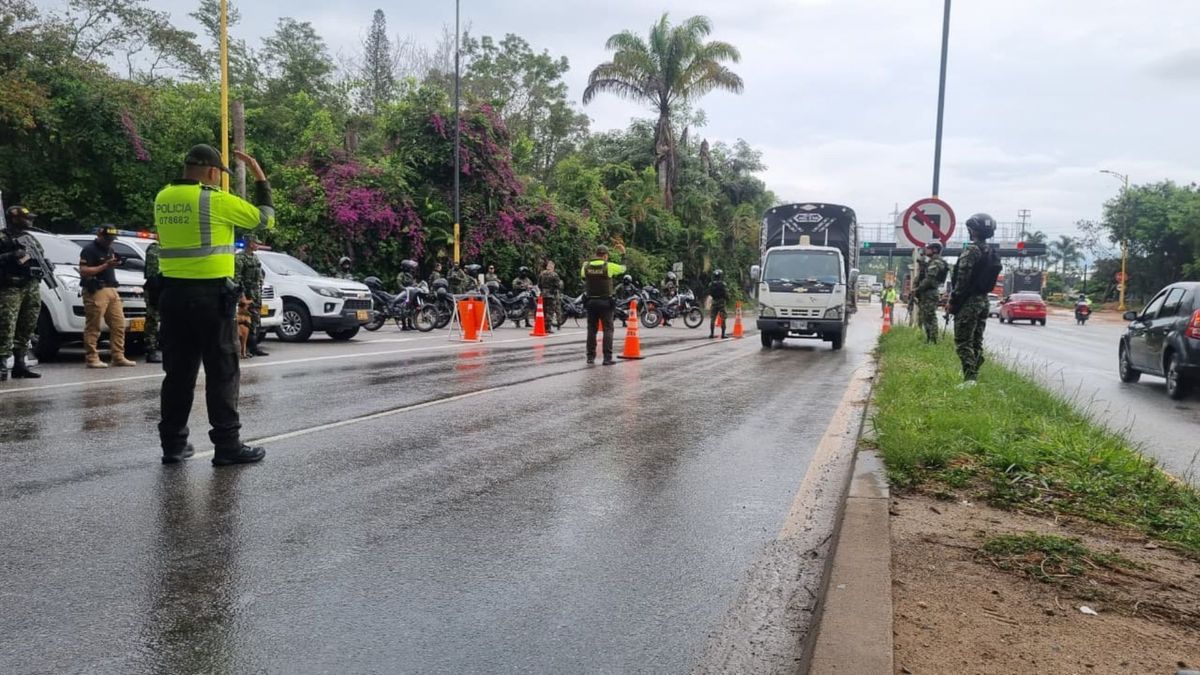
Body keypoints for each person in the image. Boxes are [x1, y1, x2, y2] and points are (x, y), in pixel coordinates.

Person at [154, 143, 274, 466]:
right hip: (210, 299)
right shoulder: (215, 200)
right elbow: (265, 220)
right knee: (222, 371)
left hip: (172, 298)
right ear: (211, 172)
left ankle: (173, 445)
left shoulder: (162, 198)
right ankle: (227, 446)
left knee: (177, 375)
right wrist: (260, 177)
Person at [79, 225, 136, 369]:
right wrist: (105, 265)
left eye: (111, 239)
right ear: (100, 236)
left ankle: (118, 356)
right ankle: (92, 358)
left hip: (111, 289)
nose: (110, 242)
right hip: (96, 289)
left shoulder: (110, 249)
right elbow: (84, 271)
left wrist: (115, 264)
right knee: (94, 325)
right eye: (107, 239)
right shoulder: (89, 250)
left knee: (119, 324)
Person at [0, 205, 47, 380]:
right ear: (14, 218)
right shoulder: (3, 237)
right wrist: (11, 255)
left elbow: (39, 256)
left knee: (27, 324)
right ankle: (2, 365)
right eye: (25, 218)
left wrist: (43, 264)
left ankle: (20, 364)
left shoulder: (30, 238)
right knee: (6, 326)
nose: (29, 221)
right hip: (10, 287)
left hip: (30, 285)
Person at [949, 213, 996, 384]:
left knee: (963, 341)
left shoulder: (971, 250)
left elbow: (962, 278)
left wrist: (954, 300)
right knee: (976, 340)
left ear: (973, 230)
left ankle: (970, 378)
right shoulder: (990, 251)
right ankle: (974, 375)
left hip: (969, 301)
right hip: (983, 301)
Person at [581, 245, 626, 365]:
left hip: (590, 302)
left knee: (591, 329)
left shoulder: (586, 266)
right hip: (606, 302)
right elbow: (623, 269)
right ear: (605, 255)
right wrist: (623, 255)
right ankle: (607, 358)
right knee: (608, 329)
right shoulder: (609, 266)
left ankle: (590, 357)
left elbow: (583, 276)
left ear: (596, 254)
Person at [234, 234, 268, 357]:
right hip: (247, 293)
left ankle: (253, 347)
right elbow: (237, 278)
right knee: (246, 321)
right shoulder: (239, 258)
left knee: (256, 319)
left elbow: (260, 273)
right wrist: (241, 296)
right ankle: (246, 348)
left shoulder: (255, 257)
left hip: (256, 293)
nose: (258, 245)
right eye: (256, 242)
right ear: (250, 243)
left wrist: (261, 281)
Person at [916, 242, 948, 344]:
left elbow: (929, 280)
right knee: (926, 316)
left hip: (930, 292)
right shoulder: (932, 262)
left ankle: (933, 340)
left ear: (934, 250)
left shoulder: (936, 262)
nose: (926, 250)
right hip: (928, 292)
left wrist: (918, 289)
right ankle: (929, 338)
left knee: (930, 316)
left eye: (928, 248)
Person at [143, 236, 163, 363]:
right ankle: (151, 350)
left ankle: (162, 346)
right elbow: (153, 273)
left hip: (167, 287)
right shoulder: (155, 249)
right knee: (153, 319)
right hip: (155, 288)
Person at [538, 260, 563, 334]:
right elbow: (558, 285)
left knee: (544, 311)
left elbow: (539, 284)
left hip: (543, 294)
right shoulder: (554, 275)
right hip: (551, 295)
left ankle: (543, 326)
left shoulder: (542, 274)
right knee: (550, 312)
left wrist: (543, 290)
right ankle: (547, 328)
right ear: (552, 267)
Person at [394, 259, 419, 331]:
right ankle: (404, 325)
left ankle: (410, 324)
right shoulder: (401, 275)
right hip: (403, 294)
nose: (411, 268)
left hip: (410, 294)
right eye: (409, 267)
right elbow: (399, 284)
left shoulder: (410, 275)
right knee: (404, 308)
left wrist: (416, 285)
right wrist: (404, 289)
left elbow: (412, 283)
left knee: (411, 308)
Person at [709, 269, 729, 339]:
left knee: (712, 318)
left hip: (714, 302)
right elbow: (726, 294)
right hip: (721, 302)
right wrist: (727, 298)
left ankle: (711, 334)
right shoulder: (723, 284)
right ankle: (723, 334)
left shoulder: (711, 284)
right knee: (723, 318)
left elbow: (710, 293)